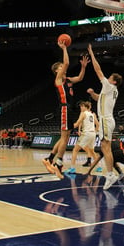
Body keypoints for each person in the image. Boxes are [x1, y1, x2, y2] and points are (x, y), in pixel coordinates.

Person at [42, 42, 90, 178]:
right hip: (64, 108)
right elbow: (67, 63)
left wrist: (83, 67)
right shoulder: (58, 79)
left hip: (69, 110)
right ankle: (58, 164)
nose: (64, 68)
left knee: (66, 137)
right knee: (64, 138)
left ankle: (50, 158)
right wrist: (64, 48)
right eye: (61, 67)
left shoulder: (68, 80)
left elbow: (80, 78)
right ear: (57, 70)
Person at [87, 43, 123, 190]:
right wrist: (92, 94)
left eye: (110, 77)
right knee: (104, 147)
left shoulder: (109, 86)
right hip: (107, 120)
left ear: (113, 81)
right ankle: (110, 174)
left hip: (106, 120)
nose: (107, 78)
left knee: (105, 148)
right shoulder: (109, 90)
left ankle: (110, 174)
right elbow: (99, 99)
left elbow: (97, 70)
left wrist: (91, 53)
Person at [65, 101, 99, 173]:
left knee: (75, 150)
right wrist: (94, 132)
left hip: (86, 134)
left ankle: (72, 168)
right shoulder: (92, 114)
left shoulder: (83, 114)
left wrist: (68, 127)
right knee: (92, 151)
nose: (80, 108)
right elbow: (98, 125)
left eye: (81, 106)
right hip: (93, 134)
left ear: (85, 107)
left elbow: (77, 124)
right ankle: (99, 167)